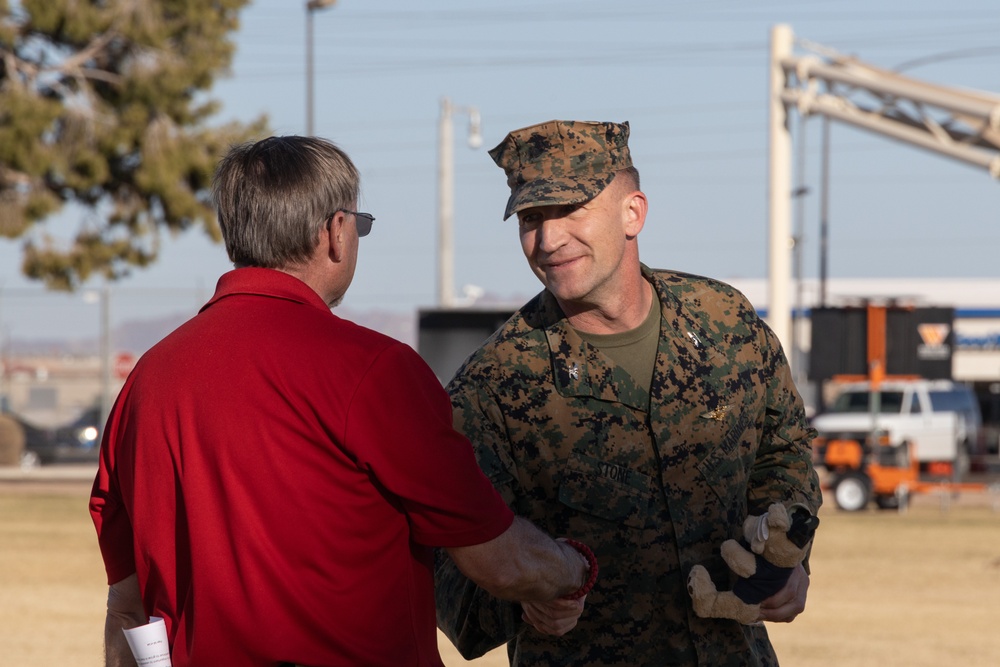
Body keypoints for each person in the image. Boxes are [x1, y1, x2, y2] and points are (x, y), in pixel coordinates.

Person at [89, 135, 595, 667]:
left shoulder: (145, 383)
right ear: (335, 231)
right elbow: (497, 559)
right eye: (360, 224)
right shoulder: (374, 371)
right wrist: (573, 570)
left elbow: (126, 609)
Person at [434, 120, 822, 666]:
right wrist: (525, 599)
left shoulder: (724, 322)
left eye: (570, 211)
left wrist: (790, 559)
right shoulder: (495, 385)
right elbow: (451, 565)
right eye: (530, 220)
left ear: (632, 212)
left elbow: (782, 450)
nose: (548, 241)